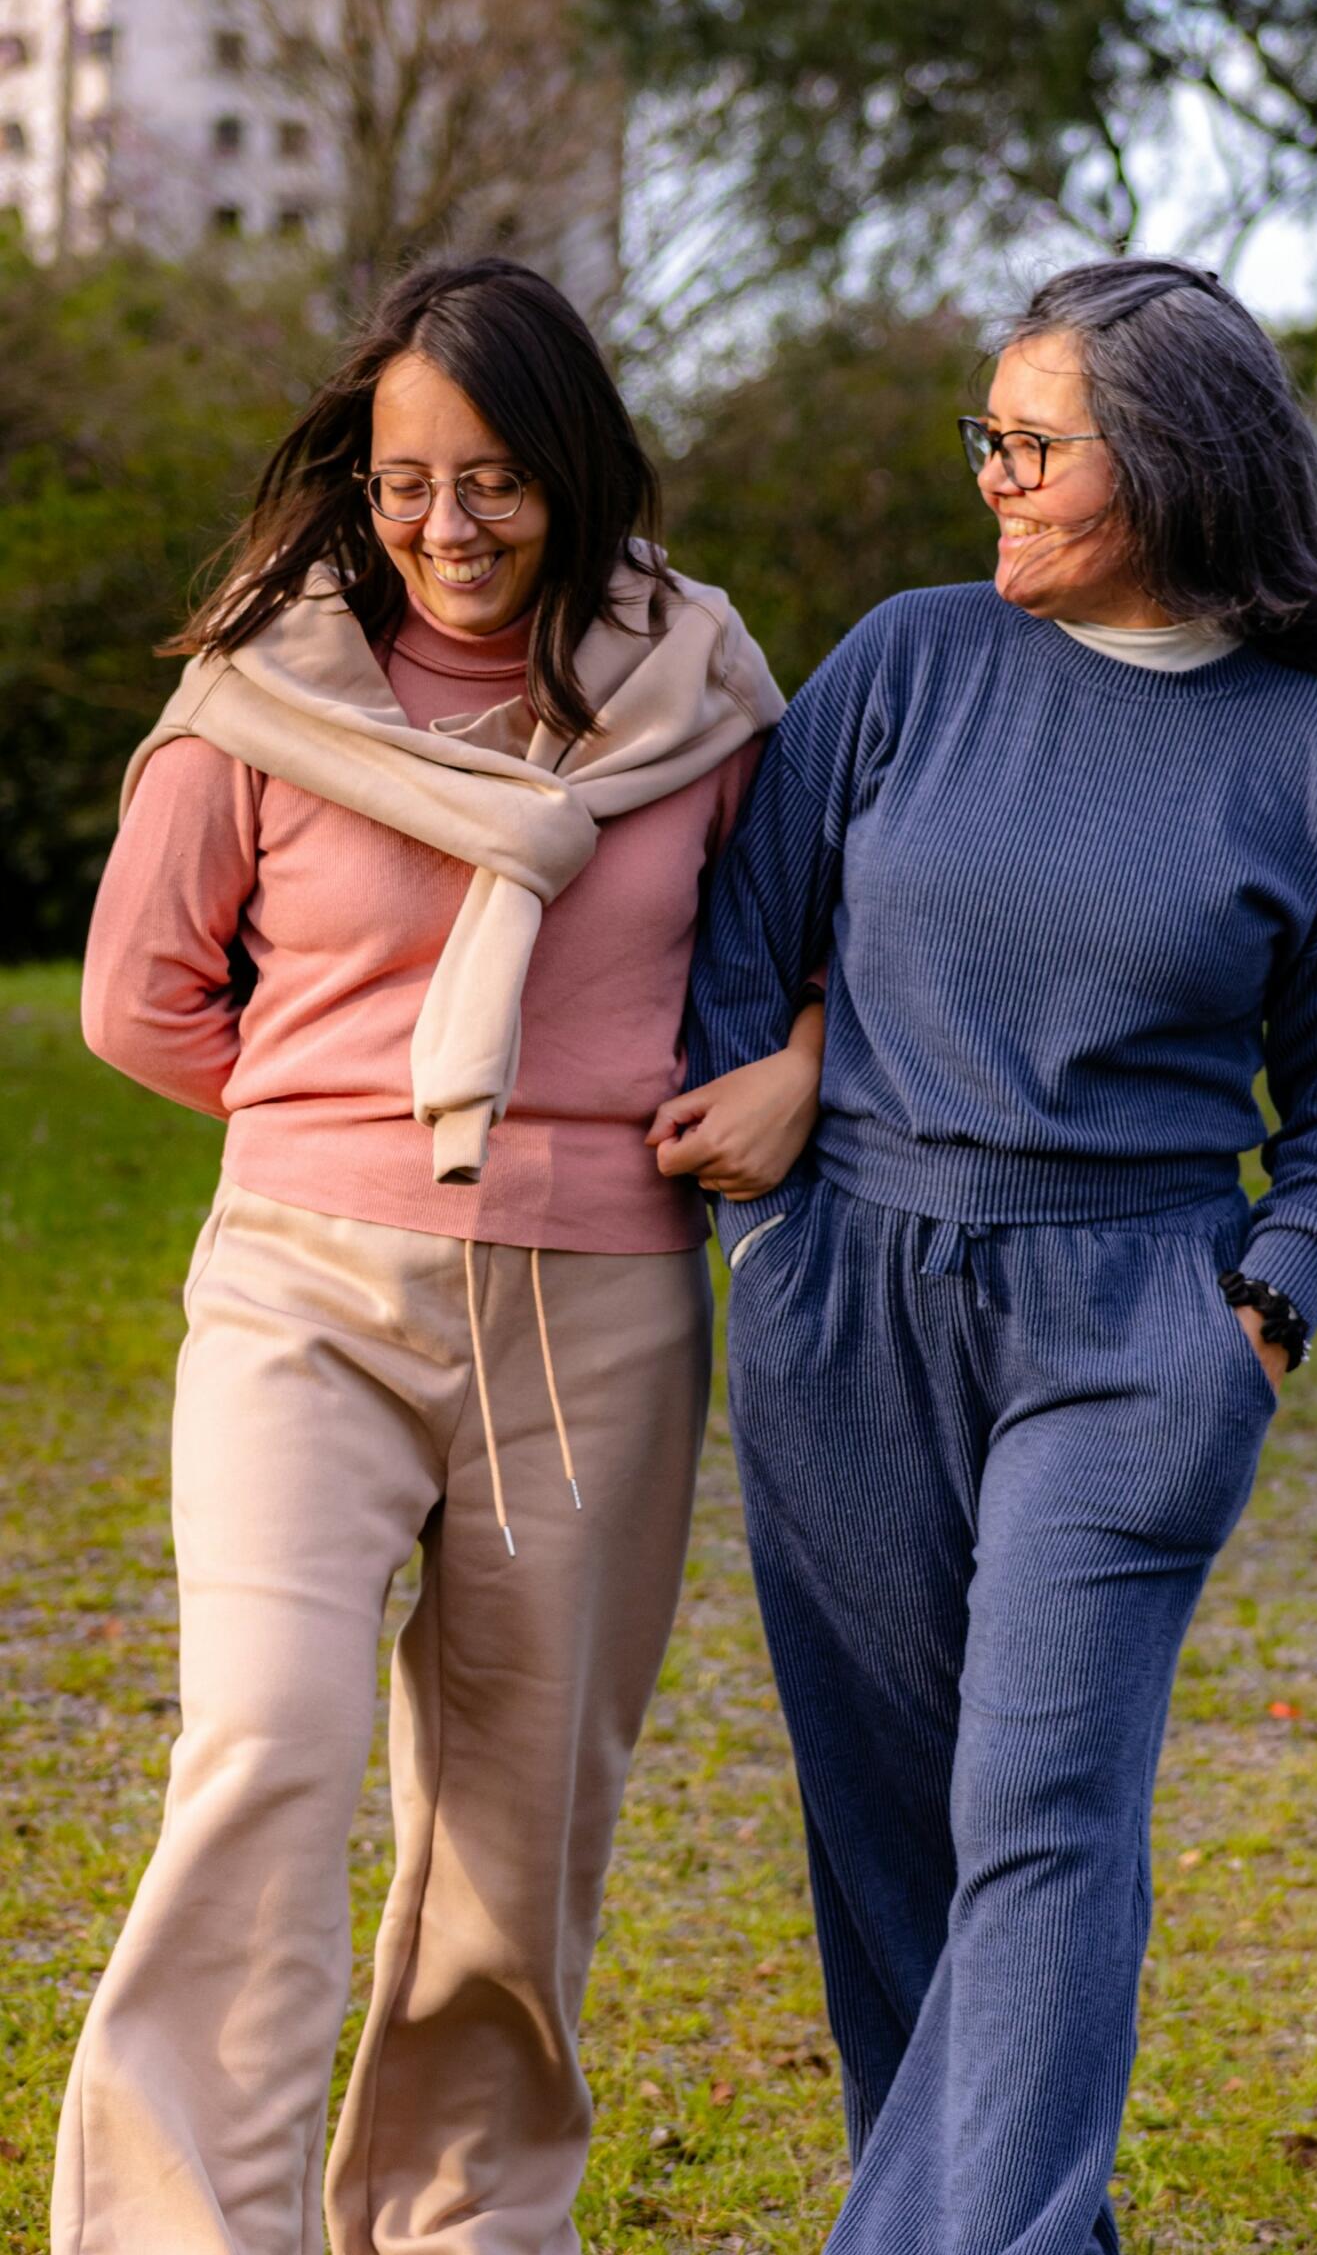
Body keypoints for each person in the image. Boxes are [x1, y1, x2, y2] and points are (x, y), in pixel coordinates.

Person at [655, 258, 1317, 2254]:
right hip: (846, 1304)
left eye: (1027, 443)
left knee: (1038, 1812)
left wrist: (1271, 1295)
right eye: (981, 438)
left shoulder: (1310, 764)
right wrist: (768, 1210)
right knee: (891, 1834)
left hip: (1131, 1325)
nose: (989, 476)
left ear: (1162, 466)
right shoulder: (908, 662)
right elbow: (746, 934)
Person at [54, 255, 812, 2255]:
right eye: (402, 484)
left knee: (518, 1820)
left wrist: (795, 1068)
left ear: (576, 468)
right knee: (268, 1741)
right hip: (307, 1283)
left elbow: (826, 949)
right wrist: (345, 1128)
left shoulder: (702, 691)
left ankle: (466, 2215)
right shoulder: (266, 686)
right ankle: (179, 2224)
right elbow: (138, 997)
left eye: (491, 481)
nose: (444, 528)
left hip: (602, 1307)